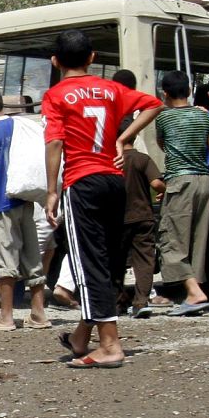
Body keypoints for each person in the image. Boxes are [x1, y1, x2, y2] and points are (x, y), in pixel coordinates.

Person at [43, 28, 162, 368]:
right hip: (114, 181)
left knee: (89, 264)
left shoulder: (56, 95)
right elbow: (153, 104)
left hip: (83, 182)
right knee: (107, 262)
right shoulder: (111, 90)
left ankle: (110, 345)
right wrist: (123, 140)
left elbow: (54, 143)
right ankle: (82, 338)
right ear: (92, 58)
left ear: (55, 61)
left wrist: (53, 190)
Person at [0, 83, 49, 331]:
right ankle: (39, 314)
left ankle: (6, 317)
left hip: (0, 202)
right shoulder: (20, 125)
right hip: (25, 199)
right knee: (32, 258)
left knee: (5, 260)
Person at [154, 69, 209, 315]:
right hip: (204, 181)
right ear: (191, 91)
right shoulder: (204, 117)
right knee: (197, 239)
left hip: (179, 181)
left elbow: (163, 145)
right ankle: (195, 292)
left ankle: (194, 293)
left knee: (172, 238)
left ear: (164, 93)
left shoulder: (163, 118)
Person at [117, 120, 163, 317]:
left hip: (118, 219)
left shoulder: (113, 160)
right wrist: (164, 191)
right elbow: (156, 183)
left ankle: (118, 302)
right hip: (143, 215)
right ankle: (141, 302)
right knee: (144, 259)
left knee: (116, 261)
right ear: (135, 137)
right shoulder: (142, 159)